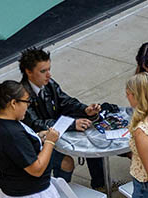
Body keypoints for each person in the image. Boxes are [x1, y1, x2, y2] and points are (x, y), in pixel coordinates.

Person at [18, 47, 106, 189]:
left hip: (55, 132)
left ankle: (100, 184)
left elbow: (66, 102)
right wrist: (72, 124)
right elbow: (36, 124)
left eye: (49, 69)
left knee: (92, 141)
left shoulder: (49, 84)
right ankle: (59, 196)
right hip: (36, 142)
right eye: (43, 71)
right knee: (66, 163)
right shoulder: (22, 95)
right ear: (28, 72)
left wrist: (85, 109)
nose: (48, 75)